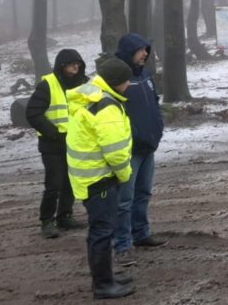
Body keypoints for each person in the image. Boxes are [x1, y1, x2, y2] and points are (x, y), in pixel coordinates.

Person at [66, 58, 136, 299]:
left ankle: (105, 277)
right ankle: (103, 285)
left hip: (90, 177)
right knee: (102, 232)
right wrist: (125, 174)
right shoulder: (107, 107)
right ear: (116, 82)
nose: (129, 84)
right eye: (126, 80)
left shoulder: (92, 97)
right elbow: (115, 150)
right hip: (100, 179)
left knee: (101, 230)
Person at [113, 33, 166, 266]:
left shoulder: (145, 75)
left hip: (148, 146)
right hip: (128, 150)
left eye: (146, 49)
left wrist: (158, 129)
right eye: (141, 50)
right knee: (124, 199)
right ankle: (122, 244)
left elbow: (154, 103)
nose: (145, 54)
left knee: (143, 194)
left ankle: (141, 234)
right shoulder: (116, 79)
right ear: (128, 51)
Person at [26, 49, 88, 238]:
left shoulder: (85, 84)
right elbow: (33, 113)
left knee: (70, 182)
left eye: (78, 64)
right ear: (62, 65)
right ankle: (47, 221)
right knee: (54, 184)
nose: (76, 67)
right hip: (52, 145)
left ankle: (64, 216)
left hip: (75, 143)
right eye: (72, 64)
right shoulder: (48, 85)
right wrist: (53, 133)